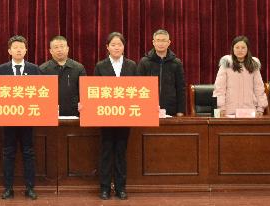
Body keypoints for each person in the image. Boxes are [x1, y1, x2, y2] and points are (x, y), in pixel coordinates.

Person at [94, 32, 138, 200]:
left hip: (125, 116)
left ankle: (121, 188)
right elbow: (95, 90)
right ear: (107, 47)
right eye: (113, 45)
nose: (116, 47)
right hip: (106, 115)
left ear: (124, 47)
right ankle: (105, 188)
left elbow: (138, 89)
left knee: (121, 152)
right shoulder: (101, 66)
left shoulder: (132, 65)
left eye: (119, 44)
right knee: (106, 152)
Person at [0, 35, 41, 200]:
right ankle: (8, 188)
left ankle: (30, 188)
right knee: (8, 153)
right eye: (15, 47)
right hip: (8, 119)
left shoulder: (34, 69)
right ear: (9, 51)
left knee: (29, 153)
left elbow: (40, 92)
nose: (18, 50)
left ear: (26, 50)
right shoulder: (2, 69)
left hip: (28, 119)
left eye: (21, 47)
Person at [213, 36, 268, 116]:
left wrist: (260, 108)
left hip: (249, 111)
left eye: (243, 48)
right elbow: (219, 88)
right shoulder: (226, 64)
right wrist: (221, 107)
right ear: (233, 49)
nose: (240, 50)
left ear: (247, 49)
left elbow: (259, 88)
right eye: (237, 47)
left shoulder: (253, 65)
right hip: (229, 110)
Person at [137, 29, 186, 116]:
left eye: (163, 41)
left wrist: (180, 111)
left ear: (169, 42)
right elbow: (139, 86)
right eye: (158, 40)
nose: (160, 43)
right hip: (148, 109)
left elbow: (180, 88)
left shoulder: (176, 63)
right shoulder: (144, 62)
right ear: (153, 42)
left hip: (170, 110)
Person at [39, 35, 86, 117]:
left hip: (74, 115)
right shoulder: (43, 69)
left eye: (62, 46)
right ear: (50, 51)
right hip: (49, 115)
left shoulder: (78, 68)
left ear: (67, 49)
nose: (59, 50)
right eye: (56, 47)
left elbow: (84, 92)